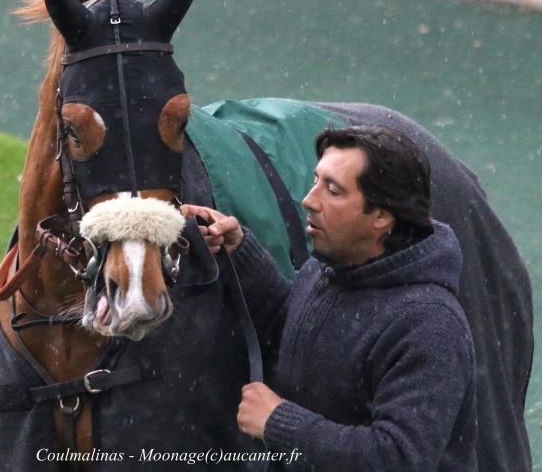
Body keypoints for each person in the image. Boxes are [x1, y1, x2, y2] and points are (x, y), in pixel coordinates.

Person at [182, 126, 478, 471]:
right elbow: (293, 332)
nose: (309, 200)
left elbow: (397, 458)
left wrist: (280, 422)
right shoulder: (332, 269)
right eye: (316, 180)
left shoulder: (428, 325)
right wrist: (238, 251)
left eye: (333, 190)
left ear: (382, 215)